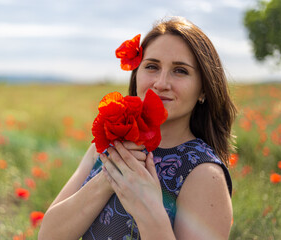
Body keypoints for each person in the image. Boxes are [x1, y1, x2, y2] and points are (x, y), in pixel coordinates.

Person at [38, 16, 237, 240]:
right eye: (152, 66)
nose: (161, 83)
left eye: (180, 71)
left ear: (203, 90)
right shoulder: (107, 146)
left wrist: (148, 210)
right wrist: (110, 177)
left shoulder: (204, 174)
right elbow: (48, 235)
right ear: (136, 75)